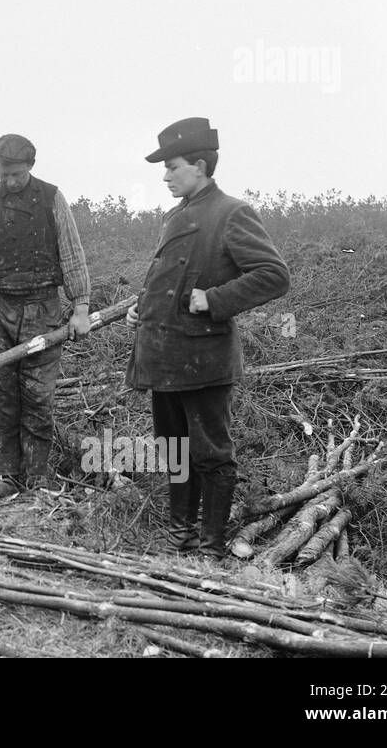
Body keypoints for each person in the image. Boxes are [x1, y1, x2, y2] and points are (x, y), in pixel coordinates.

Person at [125, 118, 290, 558]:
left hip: (203, 359)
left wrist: (214, 299)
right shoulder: (175, 216)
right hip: (165, 357)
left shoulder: (231, 212)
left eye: (172, 167)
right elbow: (171, 279)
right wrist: (143, 307)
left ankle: (211, 545)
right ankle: (181, 534)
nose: (165, 176)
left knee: (212, 454)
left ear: (199, 166)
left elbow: (274, 275)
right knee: (175, 449)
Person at [0, 135, 91, 499]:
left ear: (30, 167)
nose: (10, 181)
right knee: (3, 395)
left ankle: (37, 476)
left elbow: (71, 251)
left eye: (16, 174)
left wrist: (80, 306)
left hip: (43, 308)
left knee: (37, 397)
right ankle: (5, 475)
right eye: (4, 174)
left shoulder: (52, 198)